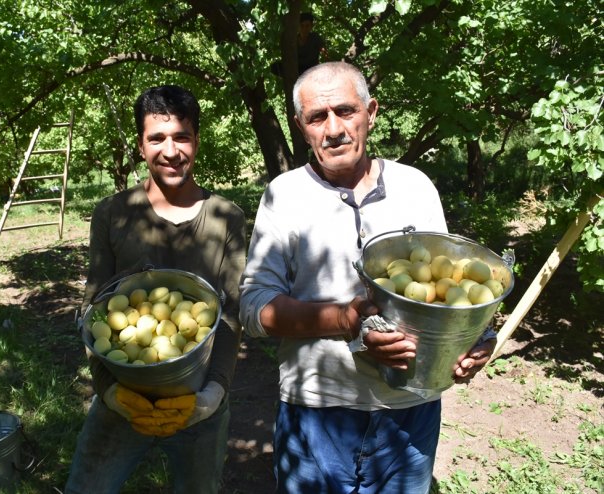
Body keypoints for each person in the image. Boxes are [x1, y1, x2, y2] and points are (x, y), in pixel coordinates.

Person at [239, 62, 496, 493]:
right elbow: (253, 309)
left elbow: (449, 283)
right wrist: (345, 321)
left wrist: (473, 336)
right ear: (302, 128)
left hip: (410, 411)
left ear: (371, 112)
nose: (334, 128)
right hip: (317, 411)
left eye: (346, 111)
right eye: (317, 117)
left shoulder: (416, 186)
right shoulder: (284, 195)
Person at [65, 85, 247, 494]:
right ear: (141, 145)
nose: (170, 150)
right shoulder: (112, 214)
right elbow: (93, 306)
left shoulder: (226, 218)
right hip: (123, 398)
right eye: (157, 138)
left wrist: (213, 393)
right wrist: (109, 391)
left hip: (197, 398)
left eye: (181, 136)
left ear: (197, 141)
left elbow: (231, 312)